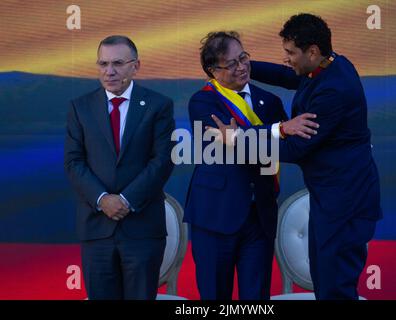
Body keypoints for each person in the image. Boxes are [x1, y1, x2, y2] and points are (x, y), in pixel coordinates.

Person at [209, 14, 383, 300]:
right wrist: (243, 67)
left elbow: (295, 148)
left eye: (290, 53)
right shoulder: (330, 65)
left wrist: (240, 138)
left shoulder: (334, 91)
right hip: (331, 198)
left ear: (312, 51)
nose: (286, 59)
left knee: (335, 288)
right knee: (324, 281)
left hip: (346, 202)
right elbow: (290, 77)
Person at [184, 31, 318, 300]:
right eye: (231, 64)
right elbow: (234, 144)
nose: (242, 67)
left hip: (259, 216)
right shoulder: (203, 102)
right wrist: (279, 129)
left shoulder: (270, 102)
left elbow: (278, 146)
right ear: (213, 71)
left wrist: (270, 133)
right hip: (215, 216)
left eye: (243, 57)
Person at [64, 35, 175, 300]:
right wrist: (103, 200)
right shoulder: (80, 107)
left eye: (117, 63)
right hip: (96, 230)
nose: (109, 71)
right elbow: (73, 161)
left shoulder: (159, 105)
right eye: (103, 63)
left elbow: (162, 161)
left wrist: (125, 200)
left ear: (135, 66)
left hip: (142, 230)